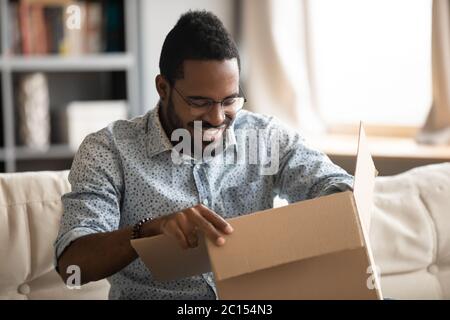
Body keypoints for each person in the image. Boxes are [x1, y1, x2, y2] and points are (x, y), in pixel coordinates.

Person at [55, 10, 353, 300]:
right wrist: (147, 232)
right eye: (199, 102)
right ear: (163, 88)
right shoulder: (110, 150)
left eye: (229, 100)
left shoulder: (264, 137)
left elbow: (333, 184)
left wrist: (336, 202)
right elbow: (73, 266)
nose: (216, 118)